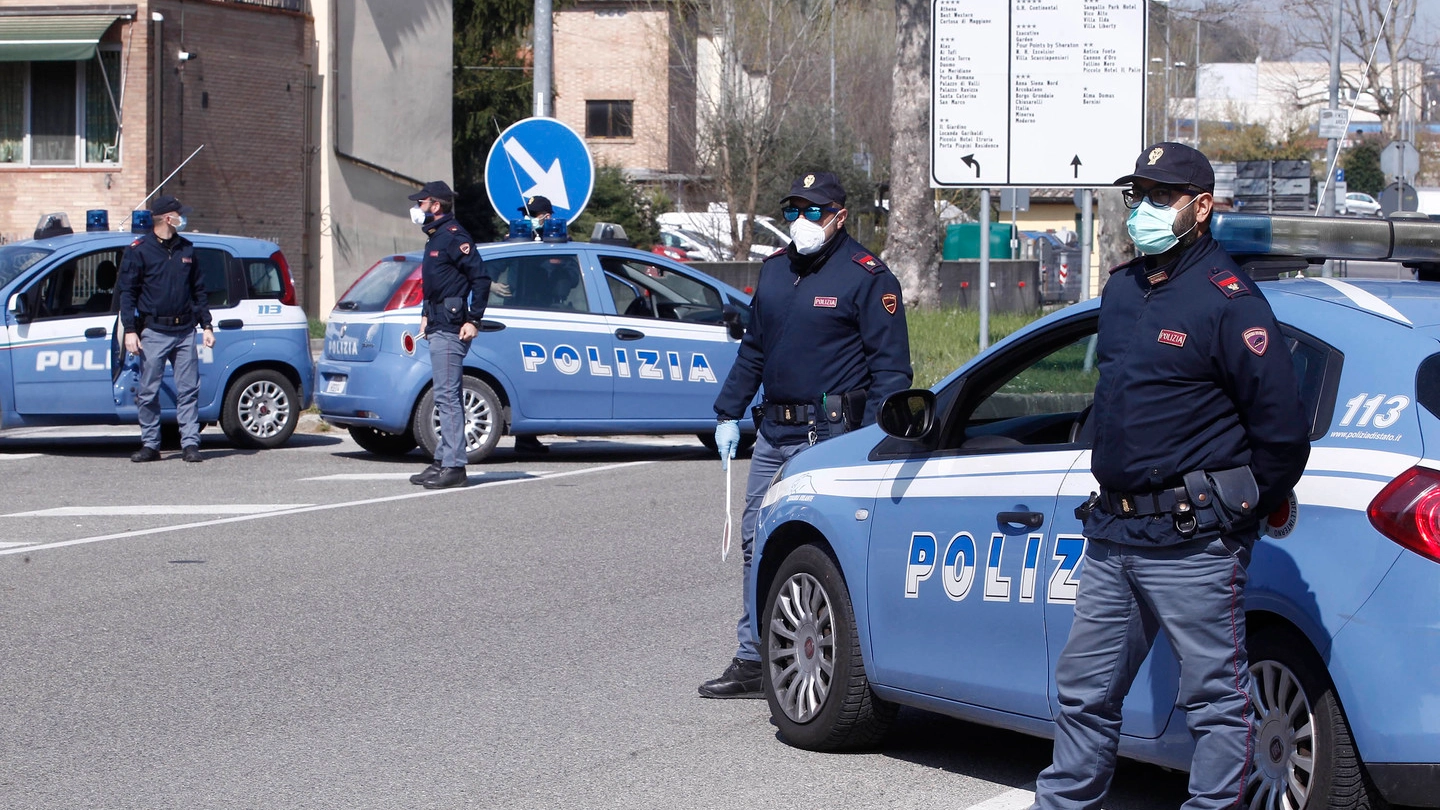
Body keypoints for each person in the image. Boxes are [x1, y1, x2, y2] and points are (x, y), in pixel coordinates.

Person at [1029, 143, 1311, 810]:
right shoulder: (1123, 289)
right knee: (1084, 692)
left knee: (1216, 701)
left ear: (1202, 207)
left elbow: (1282, 434)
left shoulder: (1229, 300)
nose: (1145, 210)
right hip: (1114, 533)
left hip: (1193, 540)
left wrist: (1236, 516)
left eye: (1162, 198)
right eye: (1139, 196)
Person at [700, 171, 913, 698]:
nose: (801, 221)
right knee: (756, 542)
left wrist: (871, 443)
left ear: (839, 215)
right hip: (773, 432)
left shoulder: (868, 277)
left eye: (813, 211)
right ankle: (754, 656)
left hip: (830, 436)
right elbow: (754, 349)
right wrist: (727, 411)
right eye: (793, 210)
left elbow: (891, 374)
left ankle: (837, 656)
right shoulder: (774, 272)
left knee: (824, 549)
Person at [406, 180, 491, 489]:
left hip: (454, 326)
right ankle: (442, 460)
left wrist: (475, 320)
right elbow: (436, 285)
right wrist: (425, 316)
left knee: (447, 396)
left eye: (422, 203)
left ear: (436, 206)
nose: (417, 209)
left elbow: (481, 279)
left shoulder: (455, 237)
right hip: (438, 323)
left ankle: (455, 466)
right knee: (444, 394)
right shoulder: (436, 237)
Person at [118, 195, 213, 463]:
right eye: (179, 214)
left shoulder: (187, 249)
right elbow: (128, 293)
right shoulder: (139, 250)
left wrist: (207, 325)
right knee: (148, 390)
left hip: (184, 330)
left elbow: (198, 291)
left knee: (188, 391)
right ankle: (150, 444)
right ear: (167, 218)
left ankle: (190, 444)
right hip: (154, 331)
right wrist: (129, 330)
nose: (183, 218)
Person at [512, 195, 559, 455]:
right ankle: (526, 438)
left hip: (548, 318)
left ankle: (529, 436)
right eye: (527, 214)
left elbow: (567, 281)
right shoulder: (519, 243)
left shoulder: (558, 245)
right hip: (519, 319)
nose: (529, 219)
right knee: (525, 376)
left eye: (534, 214)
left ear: (547, 217)